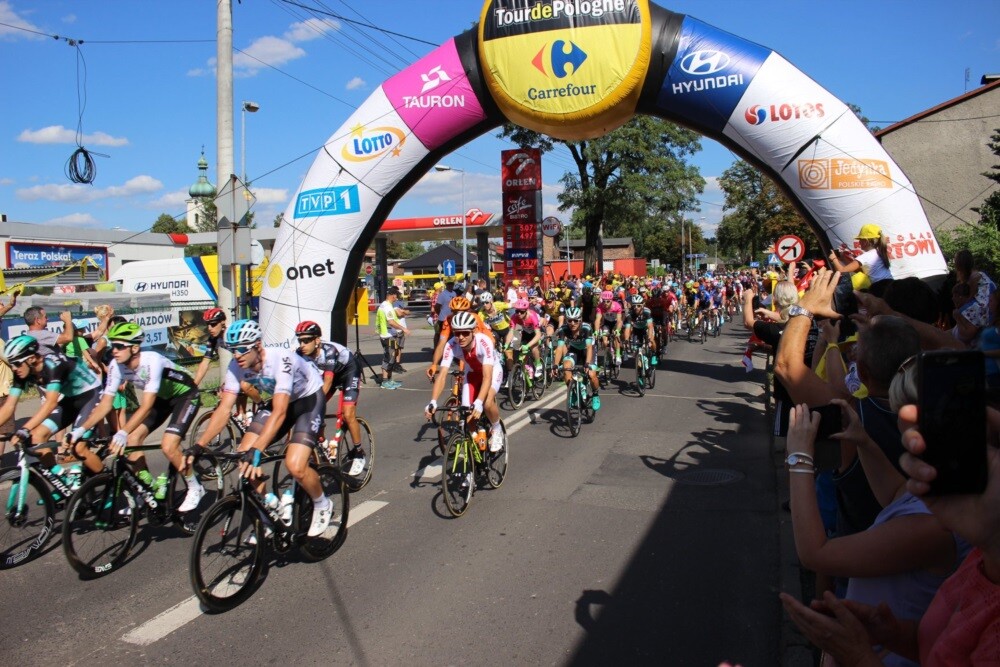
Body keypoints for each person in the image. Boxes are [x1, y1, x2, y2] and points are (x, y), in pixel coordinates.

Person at [780, 404, 1000, 665]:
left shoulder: (932, 529)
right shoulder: (957, 519)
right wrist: (863, 441)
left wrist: (800, 458)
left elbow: (815, 553)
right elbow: (896, 495)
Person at [189, 319, 335, 537]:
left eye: (241, 349)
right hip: (280, 402)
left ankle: (322, 503)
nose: (236, 355)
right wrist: (199, 445)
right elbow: (224, 409)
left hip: (308, 401)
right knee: (243, 457)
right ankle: (269, 509)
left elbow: (280, 412)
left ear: (257, 346)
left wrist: (257, 449)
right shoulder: (236, 366)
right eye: (232, 350)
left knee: (295, 465)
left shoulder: (281, 360)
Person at [70, 322, 206, 513]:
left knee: (168, 445)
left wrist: (122, 432)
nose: (114, 350)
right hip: (161, 398)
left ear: (134, 348)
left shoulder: (152, 361)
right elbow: (106, 404)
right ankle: (145, 490)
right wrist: (81, 429)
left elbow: (146, 406)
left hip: (185, 395)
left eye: (119, 346)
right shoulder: (116, 366)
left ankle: (195, 486)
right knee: (133, 441)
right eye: (112, 345)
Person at [0, 336, 104, 477]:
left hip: (92, 396)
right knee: (36, 438)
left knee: (77, 448)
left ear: (31, 359)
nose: (14, 368)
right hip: (70, 399)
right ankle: (61, 479)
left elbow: (50, 403)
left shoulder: (52, 365)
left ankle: (108, 481)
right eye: (11, 364)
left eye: (17, 363)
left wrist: (25, 429)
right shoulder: (22, 371)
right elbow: (9, 406)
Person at [424, 311, 505, 452]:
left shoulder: (484, 342)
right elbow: (442, 375)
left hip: (492, 371)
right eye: (457, 333)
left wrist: (479, 402)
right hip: (472, 373)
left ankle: (497, 428)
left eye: (465, 333)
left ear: (473, 331)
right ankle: (476, 445)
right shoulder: (451, 345)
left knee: (486, 403)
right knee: (467, 414)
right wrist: (433, 401)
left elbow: (487, 377)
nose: (461, 337)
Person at [294, 321, 366, 477]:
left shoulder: (329, 351)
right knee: (310, 410)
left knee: (348, 414)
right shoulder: (299, 354)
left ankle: (359, 452)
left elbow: (327, 382)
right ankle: (323, 443)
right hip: (331, 374)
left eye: (306, 340)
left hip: (349, 371)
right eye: (300, 340)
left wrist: (314, 403)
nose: (302, 345)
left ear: (317, 340)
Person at [552, 306, 601, 410]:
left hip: (588, 350)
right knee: (566, 368)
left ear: (580, 320)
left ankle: (595, 394)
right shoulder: (563, 329)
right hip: (574, 350)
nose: (572, 323)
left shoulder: (586, 328)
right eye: (569, 320)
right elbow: (560, 348)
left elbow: (589, 347)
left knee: (591, 374)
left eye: (575, 320)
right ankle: (573, 392)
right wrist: (555, 365)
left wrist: (587, 363)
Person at [827, 224, 893, 294]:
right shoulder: (879, 252)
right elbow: (858, 269)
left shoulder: (865, 257)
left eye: (860, 240)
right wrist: (844, 259)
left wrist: (834, 258)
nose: (859, 242)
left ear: (866, 241)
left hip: (880, 289)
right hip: (890, 285)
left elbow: (842, 271)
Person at [376, 286, 408, 389]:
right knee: (388, 358)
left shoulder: (385, 305)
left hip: (389, 335)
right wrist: (403, 328)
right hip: (387, 336)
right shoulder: (387, 307)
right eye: (396, 296)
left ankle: (389, 379)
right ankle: (385, 381)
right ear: (393, 295)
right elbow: (391, 322)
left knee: (392, 357)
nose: (397, 298)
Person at [192, 307, 227, 386]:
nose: (209, 328)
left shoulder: (232, 334)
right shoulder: (213, 339)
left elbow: (240, 359)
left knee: (244, 386)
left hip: (250, 359)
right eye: (207, 324)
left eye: (213, 324)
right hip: (240, 362)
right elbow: (204, 363)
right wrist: (193, 386)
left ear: (222, 322)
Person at [509, 298, 543, 377]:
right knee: (516, 347)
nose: (519, 314)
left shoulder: (532, 316)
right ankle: (522, 368)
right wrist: (507, 344)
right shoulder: (514, 317)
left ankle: (538, 364)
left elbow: (538, 335)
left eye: (521, 312)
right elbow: (511, 332)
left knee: (534, 348)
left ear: (526, 311)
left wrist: (527, 345)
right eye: (517, 311)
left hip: (534, 333)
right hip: (523, 331)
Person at [622, 293, 657, 361]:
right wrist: (626, 340)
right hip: (637, 329)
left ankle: (654, 354)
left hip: (646, 328)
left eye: (638, 306)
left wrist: (649, 338)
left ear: (642, 305)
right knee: (637, 347)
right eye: (634, 306)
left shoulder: (647, 312)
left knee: (651, 340)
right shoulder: (630, 314)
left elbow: (650, 326)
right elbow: (628, 328)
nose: (636, 308)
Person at [595, 290, 623, 367]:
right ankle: (607, 355)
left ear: (611, 300)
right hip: (606, 324)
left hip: (615, 323)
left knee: (616, 336)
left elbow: (619, 321)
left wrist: (618, 330)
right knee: (604, 342)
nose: (605, 303)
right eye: (604, 301)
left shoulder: (617, 306)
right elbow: (597, 320)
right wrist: (596, 331)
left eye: (608, 301)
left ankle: (618, 354)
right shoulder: (600, 307)